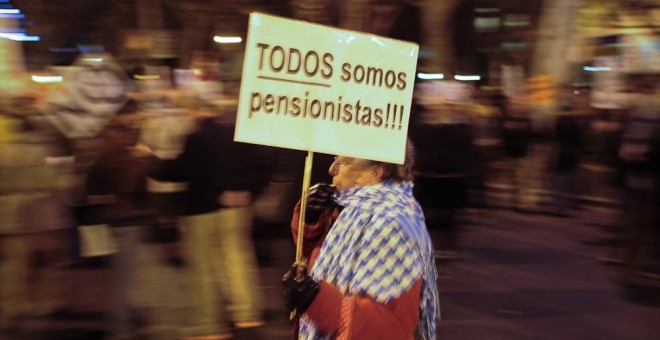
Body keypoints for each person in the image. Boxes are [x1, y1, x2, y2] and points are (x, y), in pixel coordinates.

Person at [283, 141, 440, 339]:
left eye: (344, 162)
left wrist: (315, 300)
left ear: (374, 173)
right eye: (335, 160)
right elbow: (315, 257)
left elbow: (391, 326)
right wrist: (310, 220)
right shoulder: (352, 213)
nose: (332, 169)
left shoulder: (391, 228)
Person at [151, 110, 266, 340]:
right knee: (238, 260)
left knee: (203, 268)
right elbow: (263, 166)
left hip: (202, 209)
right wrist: (249, 192)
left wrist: (152, 163)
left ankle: (208, 324)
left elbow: (180, 170)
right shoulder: (245, 134)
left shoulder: (199, 136)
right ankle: (247, 314)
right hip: (238, 206)